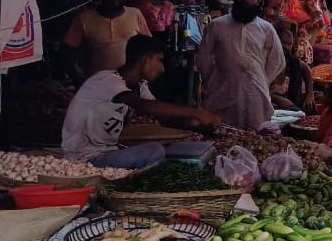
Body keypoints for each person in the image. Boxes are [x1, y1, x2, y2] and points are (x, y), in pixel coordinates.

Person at [62, 36, 219, 168]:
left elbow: (163, 118)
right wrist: (195, 112)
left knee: (167, 150)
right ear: (144, 60)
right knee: (155, 150)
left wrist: (201, 128)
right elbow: (144, 106)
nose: (162, 69)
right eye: (159, 60)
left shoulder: (139, 86)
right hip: (83, 159)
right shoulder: (106, 81)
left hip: (107, 152)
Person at [198, 0, 285, 129]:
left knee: (255, 135)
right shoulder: (217, 25)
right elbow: (204, 58)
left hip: (255, 93)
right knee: (221, 133)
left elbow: (277, 60)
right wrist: (214, 80)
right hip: (223, 90)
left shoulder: (266, 28)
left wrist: (261, 79)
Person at [63, 0, 150, 83]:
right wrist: (78, 81)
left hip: (129, 84)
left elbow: (148, 48)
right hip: (96, 85)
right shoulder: (84, 19)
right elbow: (68, 52)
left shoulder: (135, 14)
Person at [271, 27, 315, 114]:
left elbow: (306, 69)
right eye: (283, 43)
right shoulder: (267, 59)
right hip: (269, 103)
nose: (286, 47)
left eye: (289, 44)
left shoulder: (291, 60)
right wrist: (279, 100)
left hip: (289, 101)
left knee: (310, 109)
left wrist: (309, 94)